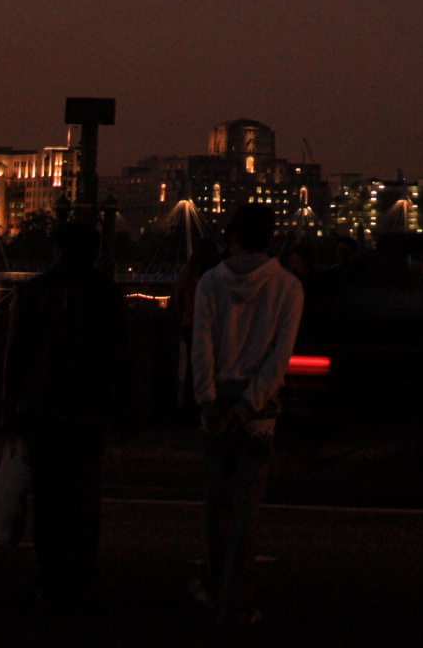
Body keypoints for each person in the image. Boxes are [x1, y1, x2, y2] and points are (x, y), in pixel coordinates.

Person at [1, 216, 132, 611]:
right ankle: (82, 575)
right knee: (84, 499)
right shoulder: (107, 294)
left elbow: (16, 359)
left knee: (48, 500)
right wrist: (123, 411)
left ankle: (51, 578)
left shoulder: (33, 292)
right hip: (88, 412)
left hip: (43, 410)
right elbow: (119, 359)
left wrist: (10, 412)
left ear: (56, 250)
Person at [191, 203, 303, 626]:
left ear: (232, 237)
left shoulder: (209, 283)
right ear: (270, 239)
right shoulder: (289, 287)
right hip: (259, 415)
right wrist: (248, 406)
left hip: (217, 403)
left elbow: (201, 348)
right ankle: (237, 601)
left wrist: (209, 402)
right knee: (245, 512)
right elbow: (280, 359)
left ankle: (212, 585)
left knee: (214, 505)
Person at [167, 235, 222, 418]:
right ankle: (199, 407)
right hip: (203, 324)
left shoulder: (186, 271)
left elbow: (177, 298)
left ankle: (187, 407)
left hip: (186, 323)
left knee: (191, 367)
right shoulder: (208, 274)